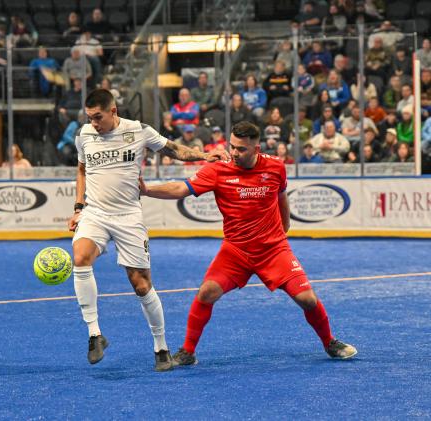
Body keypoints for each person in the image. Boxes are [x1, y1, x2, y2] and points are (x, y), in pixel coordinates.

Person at [138, 121, 357, 366]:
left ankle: (330, 342)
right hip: (235, 251)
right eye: (232, 146)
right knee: (206, 292)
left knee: (307, 299)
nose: (234, 153)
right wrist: (147, 191)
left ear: (256, 148)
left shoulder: (276, 167)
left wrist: (284, 229)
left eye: (241, 149)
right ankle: (188, 352)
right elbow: (181, 188)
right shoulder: (218, 170)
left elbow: (281, 196)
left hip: (273, 251)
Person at [67, 89, 227, 371]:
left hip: (129, 215)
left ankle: (161, 347)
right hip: (95, 212)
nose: (93, 123)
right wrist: (79, 207)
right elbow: (81, 170)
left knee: (141, 285)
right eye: (89, 117)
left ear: (113, 111)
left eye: (98, 117)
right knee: (79, 258)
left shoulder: (139, 131)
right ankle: (95, 334)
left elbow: (174, 149)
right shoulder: (84, 135)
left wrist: (205, 155)